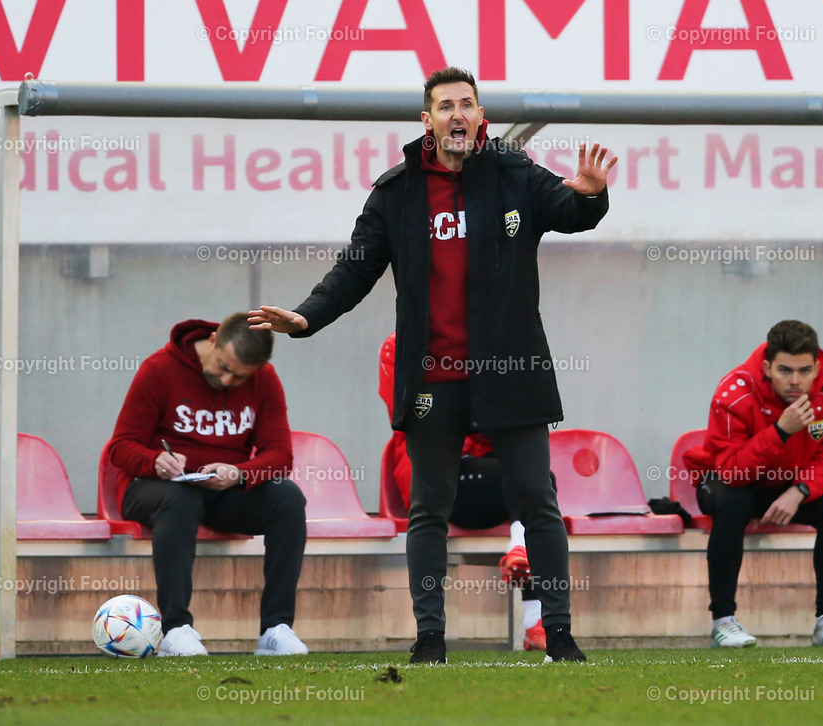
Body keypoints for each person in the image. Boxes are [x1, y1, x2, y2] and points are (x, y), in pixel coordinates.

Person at [250, 66, 617, 663]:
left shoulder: (513, 173)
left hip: (510, 375)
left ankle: (560, 635)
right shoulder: (398, 192)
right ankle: (430, 639)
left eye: (465, 104)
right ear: (427, 121)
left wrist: (592, 190)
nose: (456, 115)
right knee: (429, 509)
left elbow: (572, 210)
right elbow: (354, 270)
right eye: (444, 106)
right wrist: (305, 317)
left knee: (537, 501)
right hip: (433, 382)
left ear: (479, 117)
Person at [108, 313, 308, 657]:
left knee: (288, 498)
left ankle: (276, 629)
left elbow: (281, 455)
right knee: (181, 498)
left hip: (220, 490)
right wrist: (155, 460)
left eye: (239, 376)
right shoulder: (159, 369)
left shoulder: (265, 380)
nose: (228, 380)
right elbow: (120, 446)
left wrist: (240, 472)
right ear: (213, 340)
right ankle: (175, 629)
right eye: (222, 367)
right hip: (154, 487)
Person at [683, 320, 823, 648]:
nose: (795, 381)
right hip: (725, 481)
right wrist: (780, 431)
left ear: (817, 366)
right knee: (731, 502)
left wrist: (800, 491)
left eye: (805, 371)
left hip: (789, 485)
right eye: (785, 371)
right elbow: (731, 470)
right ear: (767, 367)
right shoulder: (734, 391)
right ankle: (723, 621)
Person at [378, 332, 547, 651]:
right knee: (517, 476)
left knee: (537, 476)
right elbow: (417, 419)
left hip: (488, 475)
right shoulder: (398, 346)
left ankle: (524, 567)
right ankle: (526, 609)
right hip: (435, 474)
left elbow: (509, 417)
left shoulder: (492, 340)